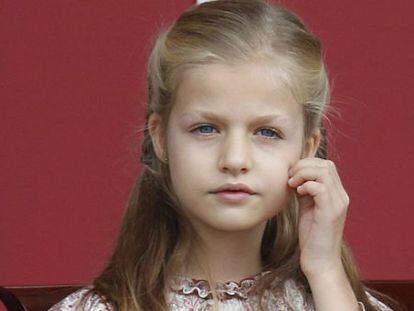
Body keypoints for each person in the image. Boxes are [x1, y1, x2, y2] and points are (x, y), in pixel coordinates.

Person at [49, 0, 404, 310]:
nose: (234, 160)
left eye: (267, 132)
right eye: (206, 128)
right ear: (159, 136)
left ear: (307, 149)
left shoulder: (335, 300)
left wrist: (325, 270)